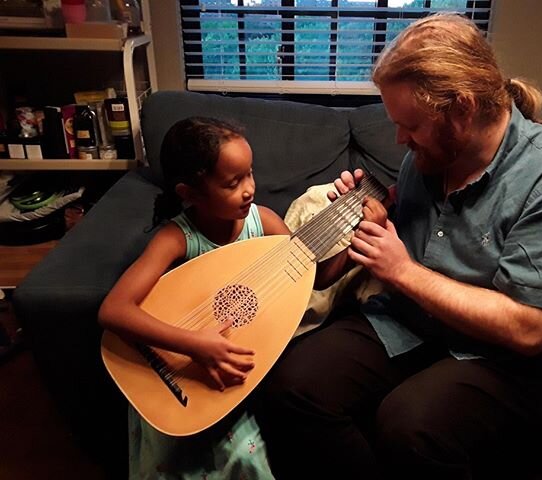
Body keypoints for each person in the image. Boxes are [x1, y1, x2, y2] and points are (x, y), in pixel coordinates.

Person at [258, 13, 542, 480]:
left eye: (411, 125)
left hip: (505, 356)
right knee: (291, 384)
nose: (400, 139)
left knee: (409, 425)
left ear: (462, 109)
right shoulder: (424, 159)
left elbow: (530, 330)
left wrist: (401, 271)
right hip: (414, 322)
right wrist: (372, 224)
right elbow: (406, 243)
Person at [98, 117, 386, 479]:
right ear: (189, 193)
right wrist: (194, 344)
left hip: (235, 379)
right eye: (233, 182)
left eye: (250, 174)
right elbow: (114, 310)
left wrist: (361, 234)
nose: (249, 189)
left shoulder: (263, 221)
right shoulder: (176, 238)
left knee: (249, 460)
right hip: (182, 377)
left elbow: (314, 275)